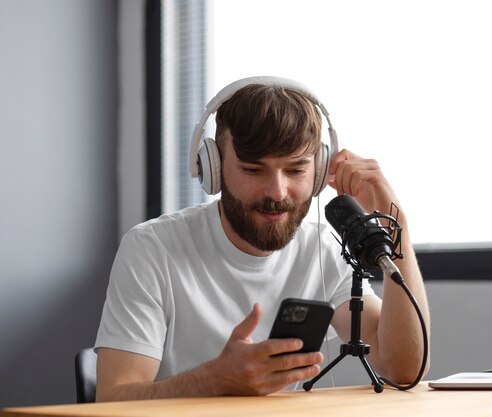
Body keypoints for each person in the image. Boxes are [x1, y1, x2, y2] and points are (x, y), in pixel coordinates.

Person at [94, 79, 430, 401]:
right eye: (253, 170)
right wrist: (213, 380)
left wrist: (396, 225)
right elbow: (112, 399)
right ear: (214, 168)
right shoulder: (153, 248)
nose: (277, 192)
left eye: (296, 170)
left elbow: (403, 369)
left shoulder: (323, 249)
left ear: (319, 171)